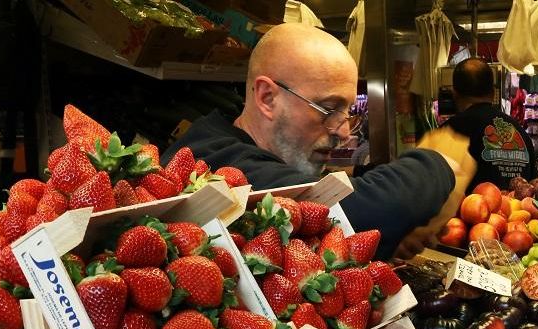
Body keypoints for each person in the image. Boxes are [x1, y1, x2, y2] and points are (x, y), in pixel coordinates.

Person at [165, 23, 464, 259]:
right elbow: (355, 212)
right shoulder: (215, 165)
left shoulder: (240, 139)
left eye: (347, 112)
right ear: (267, 98)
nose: (343, 132)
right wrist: (438, 162)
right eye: (328, 109)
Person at [442, 57, 536, 190]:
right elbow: (533, 188)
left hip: (470, 210)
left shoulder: (447, 133)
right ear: (493, 93)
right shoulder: (519, 132)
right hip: (519, 211)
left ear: (455, 94)